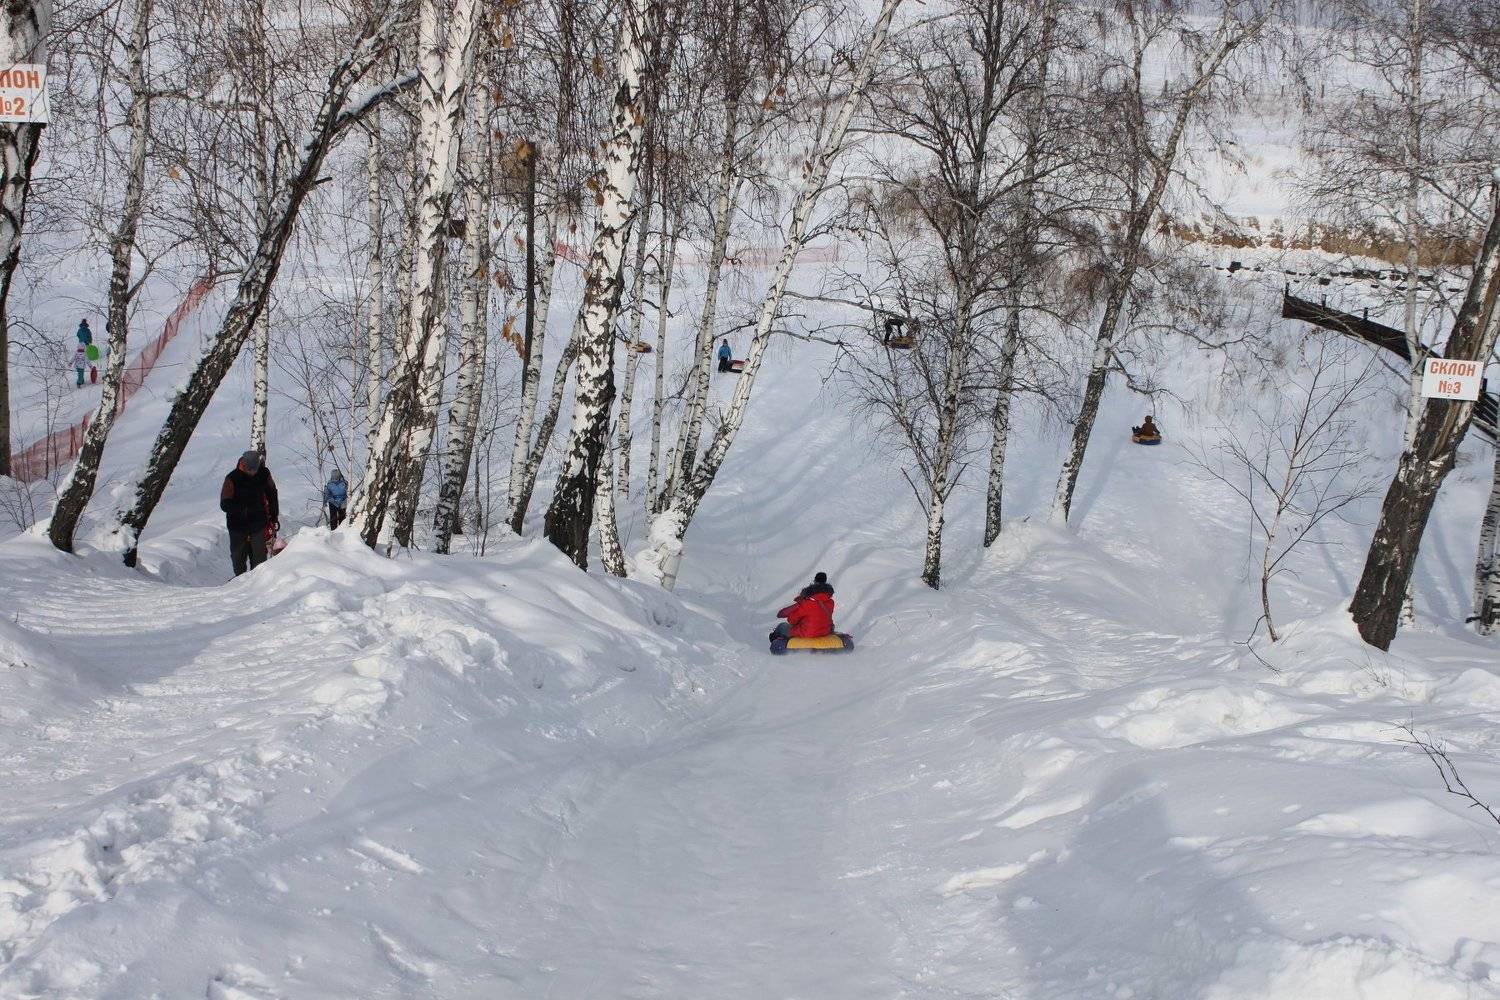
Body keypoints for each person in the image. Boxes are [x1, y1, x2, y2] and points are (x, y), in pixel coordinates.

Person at [220, 450, 279, 576]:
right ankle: (240, 582)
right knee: (238, 560)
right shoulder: (232, 478)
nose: (253, 472)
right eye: (250, 470)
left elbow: (272, 493)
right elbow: (224, 503)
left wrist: (274, 515)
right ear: (243, 464)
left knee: (259, 561)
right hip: (237, 526)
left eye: (255, 469)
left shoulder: (264, 474)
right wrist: (242, 510)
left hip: (258, 524)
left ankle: (257, 583)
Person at [771, 571, 836, 642]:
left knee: (782, 626)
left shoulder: (807, 603)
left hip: (807, 634)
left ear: (814, 581)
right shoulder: (831, 602)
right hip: (824, 632)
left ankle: (776, 643)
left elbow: (792, 620)